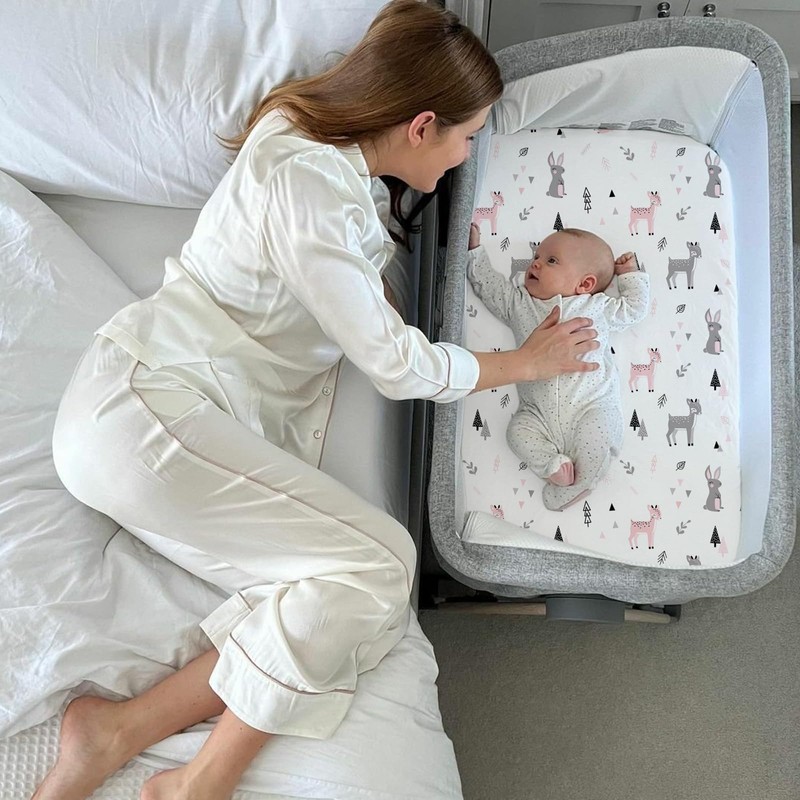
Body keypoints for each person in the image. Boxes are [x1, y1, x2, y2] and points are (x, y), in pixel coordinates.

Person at [33, 3, 600, 799]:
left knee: (323, 589)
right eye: (468, 137)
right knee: (383, 565)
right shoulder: (310, 186)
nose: (468, 155)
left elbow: (337, 276)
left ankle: (115, 733)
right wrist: (523, 362)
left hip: (144, 422)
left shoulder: (312, 146)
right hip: (144, 411)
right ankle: (199, 782)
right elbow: (394, 364)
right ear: (422, 125)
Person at [467, 223, 649, 511]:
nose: (536, 263)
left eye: (551, 260)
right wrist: (473, 251)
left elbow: (634, 310)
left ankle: (578, 485)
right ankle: (552, 464)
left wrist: (630, 276)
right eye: (537, 256)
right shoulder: (520, 303)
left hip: (591, 405)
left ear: (585, 284)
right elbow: (490, 288)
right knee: (516, 431)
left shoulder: (597, 307)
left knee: (598, 438)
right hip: (537, 413)